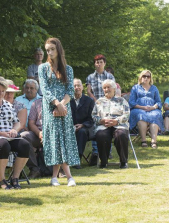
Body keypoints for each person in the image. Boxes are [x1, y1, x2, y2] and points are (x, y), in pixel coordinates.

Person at [38, 37, 79, 187]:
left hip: (64, 107)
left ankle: (56, 177)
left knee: (64, 139)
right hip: (50, 107)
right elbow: (44, 89)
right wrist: (56, 104)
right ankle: (68, 177)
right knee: (55, 140)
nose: (49, 52)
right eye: (47, 50)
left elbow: (70, 90)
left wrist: (62, 105)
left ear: (58, 49)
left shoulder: (68, 69)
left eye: (52, 49)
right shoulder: (43, 68)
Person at [92, 79, 130, 169]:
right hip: (103, 125)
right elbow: (93, 115)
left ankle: (123, 161)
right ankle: (103, 161)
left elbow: (127, 114)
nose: (106, 89)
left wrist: (117, 121)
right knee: (101, 135)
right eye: (104, 88)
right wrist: (101, 121)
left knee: (121, 134)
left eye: (108, 87)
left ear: (114, 89)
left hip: (119, 124)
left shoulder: (121, 100)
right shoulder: (99, 101)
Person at [86, 54, 115, 165]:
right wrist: (97, 101)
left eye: (101, 62)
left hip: (109, 105)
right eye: (97, 62)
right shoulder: (90, 77)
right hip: (96, 104)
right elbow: (89, 91)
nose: (99, 64)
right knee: (96, 125)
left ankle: (108, 151)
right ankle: (96, 151)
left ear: (104, 63)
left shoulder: (110, 77)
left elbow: (113, 91)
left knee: (108, 125)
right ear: (95, 64)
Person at [129, 70, 164, 149]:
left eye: (148, 76)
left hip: (152, 109)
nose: (146, 78)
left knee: (156, 115)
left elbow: (158, 102)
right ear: (140, 78)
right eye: (144, 76)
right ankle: (143, 140)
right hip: (139, 109)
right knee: (141, 116)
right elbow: (131, 102)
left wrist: (153, 107)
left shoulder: (154, 88)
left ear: (150, 78)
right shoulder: (135, 88)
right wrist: (142, 107)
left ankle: (153, 141)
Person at [70, 78, 95, 169]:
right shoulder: (67, 100)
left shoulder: (89, 101)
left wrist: (82, 125)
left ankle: (77, 160)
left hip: (85, 127)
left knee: (81, 132)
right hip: (69, 127)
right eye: (74, 86)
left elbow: (91, 119)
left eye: (79, 85)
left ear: (82, 87)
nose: (77, 87)